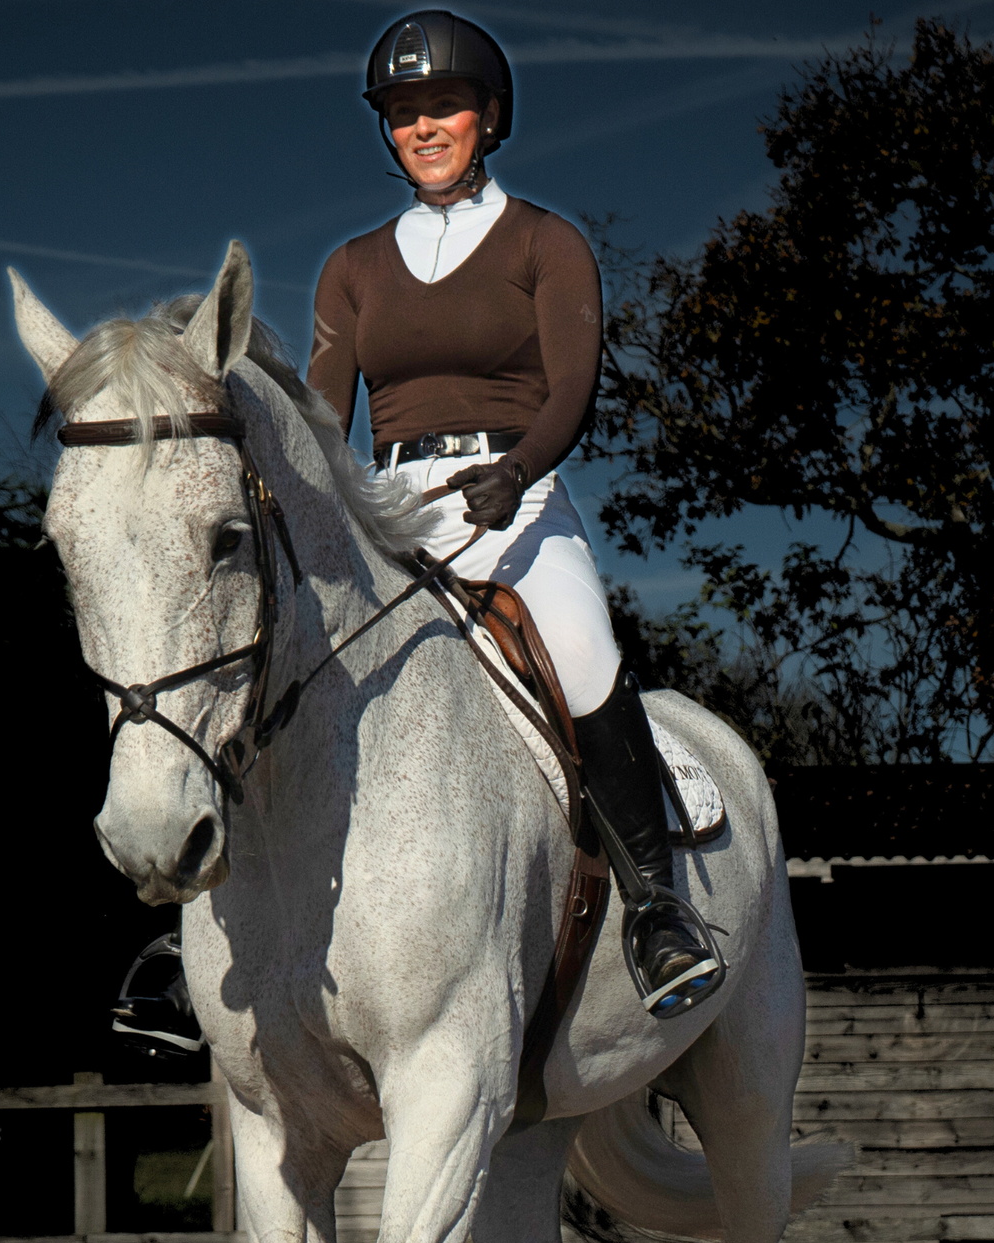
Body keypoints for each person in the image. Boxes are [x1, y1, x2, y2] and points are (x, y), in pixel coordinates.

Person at [307, 10, 724, 1019]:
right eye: (403, 114)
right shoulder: (350, 267)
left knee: (579, 648)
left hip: (518, 491)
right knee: (284, 660)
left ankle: (655, 908)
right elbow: (325, 422)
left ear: (488, 116)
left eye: (442, 106)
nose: (423, 127)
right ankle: (213, 921)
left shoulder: (545, 242)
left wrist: (520, 468)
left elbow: (571, 387)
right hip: (391, 502)